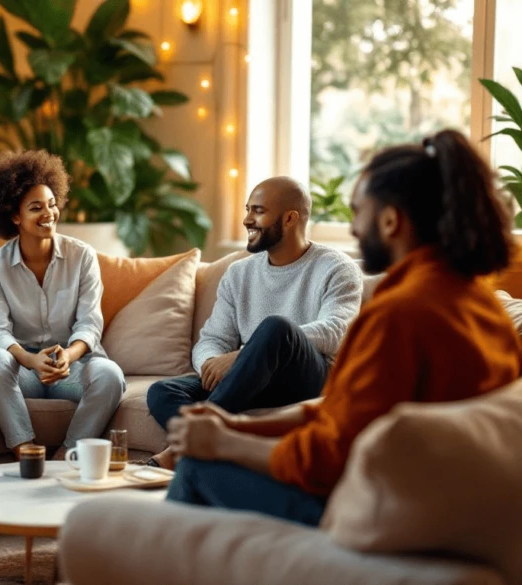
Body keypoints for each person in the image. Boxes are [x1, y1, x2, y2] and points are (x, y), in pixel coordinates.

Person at [165, 129, 522, 526]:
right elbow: (345, 411)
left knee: (196, 468)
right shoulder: (482, 306)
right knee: (177, 404)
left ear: (390, 221)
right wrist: (238, 424)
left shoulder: (399, 315)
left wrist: (223, 443)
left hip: (385, 510)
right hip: (448, 504)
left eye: (357, 212)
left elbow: (325, 459)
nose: (353, 229)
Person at [145, 177, 362, 469]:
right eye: (248, 209)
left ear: (289, 218)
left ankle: (179, 451)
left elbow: (335, 331)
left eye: (258, 211)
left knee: (276, 328)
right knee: (163, 392)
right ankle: (214, 447)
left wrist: (240, 356)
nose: (247, 219)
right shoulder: (239, 273)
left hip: (312, 378)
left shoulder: (337, 267)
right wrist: (212, 363)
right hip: (253, 376)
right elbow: (212, 338)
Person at [0, 150, 125, 459]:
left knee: (110, 375)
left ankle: (66, 455)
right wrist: (30, 361)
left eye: (52, 204)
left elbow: (89, 323)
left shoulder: (82, 256)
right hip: (22, 370)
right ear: (15, 216)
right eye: (36, 207)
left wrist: (68, 355)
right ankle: (24, 450)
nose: (49, 214)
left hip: (71, 366)